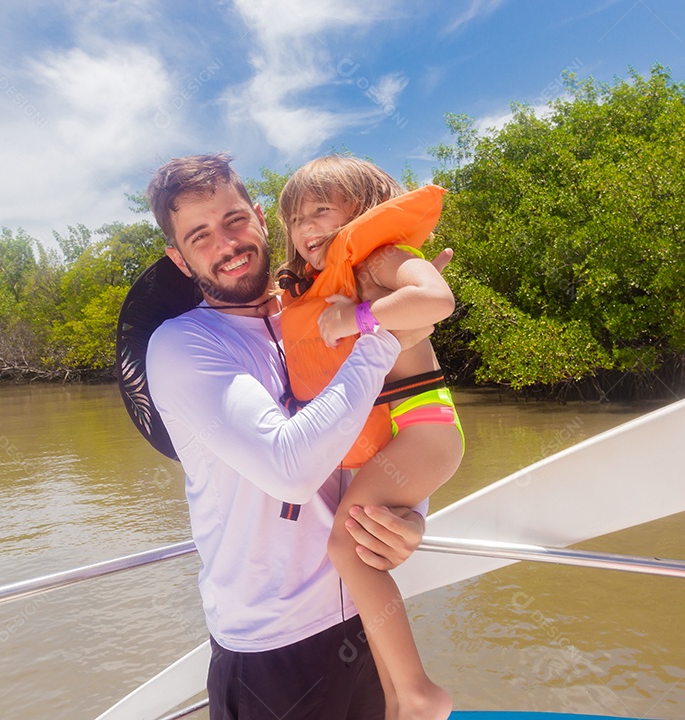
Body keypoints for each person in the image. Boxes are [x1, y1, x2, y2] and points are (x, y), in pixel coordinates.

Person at [144, 153, 442, 720]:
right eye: (199, 235)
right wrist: (380, 331)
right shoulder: (183, 346)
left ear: (260, 217)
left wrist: (409, 517)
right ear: (179, 259)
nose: (226, 243)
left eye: (234, 220)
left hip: (365, 614)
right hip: (272, 644)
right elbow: (292, 469)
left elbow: (400, 419)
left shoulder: (321, 307)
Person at [277, 155, 465, 720]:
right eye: (294, 218)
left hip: (424, 428)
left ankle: (419, 692)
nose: (307, 227)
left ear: (363, 211)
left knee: (344, 544)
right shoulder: (310, 285)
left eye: (321, 211)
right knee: (359, 552)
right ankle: (394, 696)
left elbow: (438, 301)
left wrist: (356, 317)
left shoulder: (381, 255)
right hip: (398, 437)